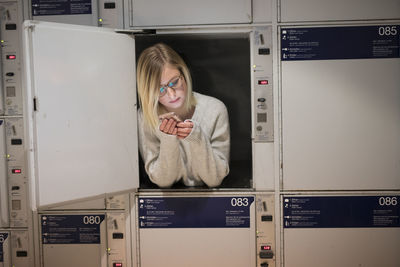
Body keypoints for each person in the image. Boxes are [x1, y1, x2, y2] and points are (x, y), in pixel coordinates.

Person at [136, 43, 230, 188]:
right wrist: (168, 139)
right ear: (148, 91)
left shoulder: (215, 109)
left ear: (184, 73)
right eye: (159, 89)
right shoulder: (146, 116)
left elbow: (214, 179)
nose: (172, 94)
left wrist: (197, 138)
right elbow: (163, 181)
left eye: (174, 82)